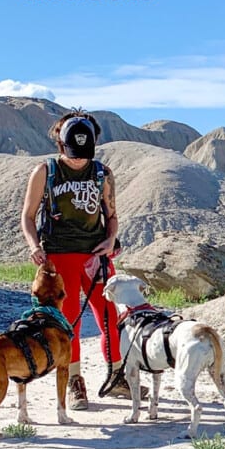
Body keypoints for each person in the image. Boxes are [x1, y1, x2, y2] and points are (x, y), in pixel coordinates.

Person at [21, 110, 132, 409]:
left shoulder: (102, 173)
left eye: (84, 154)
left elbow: (111, 215)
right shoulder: (45, 171)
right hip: (58, 257)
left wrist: (110, 240)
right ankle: (73, 381)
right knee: (68, 321)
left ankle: (116, 377)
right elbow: (28, 216)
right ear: (60, 144)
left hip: (96, 255)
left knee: (110, 316)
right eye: (73, 154)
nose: (79, 159)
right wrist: (34, 245)